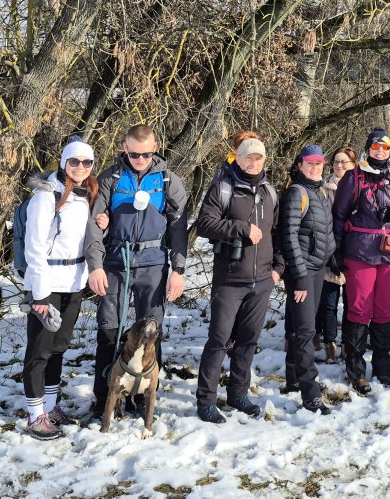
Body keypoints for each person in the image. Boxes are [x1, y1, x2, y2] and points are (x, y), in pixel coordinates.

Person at [86, 125, 188, 422]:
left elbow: (178, 227)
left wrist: (178, 269)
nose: (140, 159)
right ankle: (104, 399)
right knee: (109, 328)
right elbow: (94, 224)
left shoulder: (168, 180)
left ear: (155, 148)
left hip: (154, 263)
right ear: (124, 148)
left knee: (152, 331)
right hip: (116, 261)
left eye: (145, 154)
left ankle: (144, 398)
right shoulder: (110, 178)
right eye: (133, 154)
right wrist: (95, 266)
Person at [194, 137, 284, 423]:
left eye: (258, 158)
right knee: (219, 340)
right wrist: (241, 227)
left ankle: (238, 393)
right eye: (248, 157)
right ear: (238, 158)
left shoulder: (269, 191)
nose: (253, 162)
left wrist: (278, 268)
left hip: (262, 280)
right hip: (230, 280)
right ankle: (206, 401)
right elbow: (204, 224)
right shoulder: (223, 187)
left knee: (247, 341)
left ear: (264, 160)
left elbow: (278, 232)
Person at [331, 128, 390, 394]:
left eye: (385, 147)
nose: (380, 151)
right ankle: (356, 370)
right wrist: (335, 251)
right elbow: (338, 216)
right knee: (360, 309)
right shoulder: (353, 177)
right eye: (375, 146)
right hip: (360, 252)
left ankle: (383, 368)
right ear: (368, 148)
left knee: (383, 310)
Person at [21, 140, 97, 439]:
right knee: (39, 350)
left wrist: (101, 223)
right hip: (48, 283)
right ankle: (35, 414)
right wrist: (39, 293)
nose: (80, 167)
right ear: (64, 162)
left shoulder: (86, 194)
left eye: (86, 162)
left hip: (74, 282)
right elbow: (34, 246)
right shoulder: (46, 196)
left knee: (58, 347)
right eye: (74, 161)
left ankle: (51, 407)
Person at [278, 145, 336, 414]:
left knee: (299, 327)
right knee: (305, 332)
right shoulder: (296, 193)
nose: (315, 167)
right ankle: (310, 394)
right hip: (301, 273)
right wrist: (299, 278)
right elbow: (289, 237)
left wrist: (332, 258)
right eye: (309, 163)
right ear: (300, 165)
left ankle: (293, 379)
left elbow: (325, 231)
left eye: (319, 163)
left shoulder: (320, 192)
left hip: (317, 269)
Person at [316, 145, 357, 363]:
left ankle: (347, 344)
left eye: (345, 162)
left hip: (354, 252)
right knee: (329, 303)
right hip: (329, 252)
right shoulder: (322, 189)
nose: (340, 166)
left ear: (353, 165)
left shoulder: (359, 187)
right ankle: (329, 343)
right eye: (336, 162)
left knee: (351, 303)